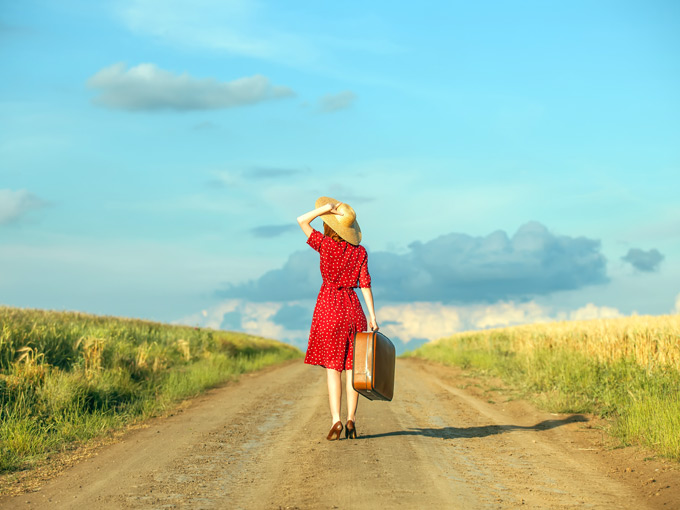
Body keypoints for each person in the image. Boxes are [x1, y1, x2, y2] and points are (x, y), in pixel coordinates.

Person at [297, 196, 378, 441]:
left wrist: (324, 209)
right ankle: (352, 418)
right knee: (354, 369)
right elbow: (365, 285)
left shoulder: (325, 245)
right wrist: (373, 317)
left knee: (333, 369)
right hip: (354, 311)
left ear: (329, 225)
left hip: (329, 308)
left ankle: (336, 420)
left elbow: (301, 220)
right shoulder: (360, 251)